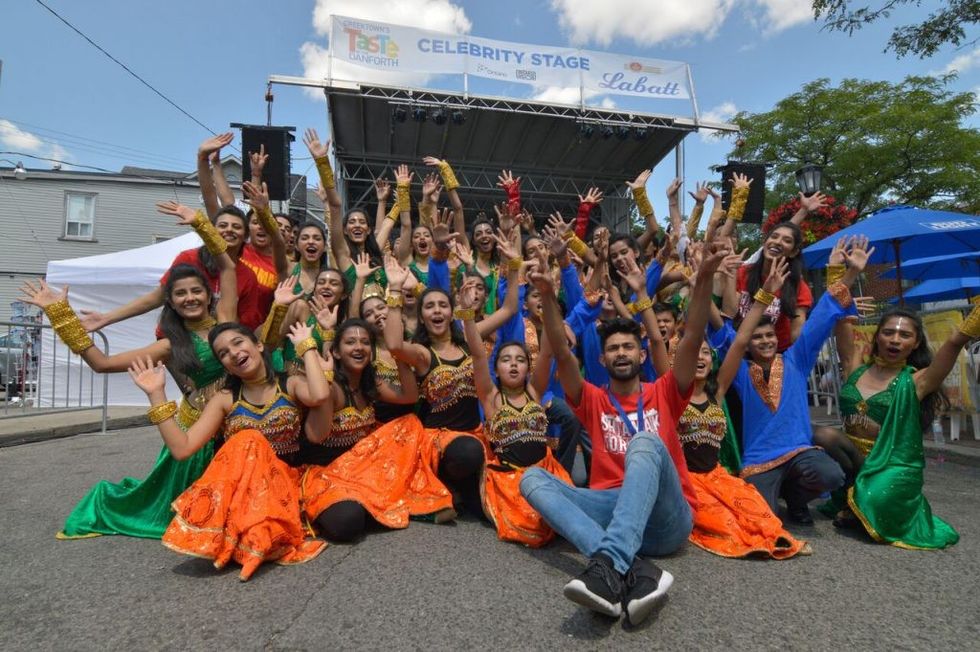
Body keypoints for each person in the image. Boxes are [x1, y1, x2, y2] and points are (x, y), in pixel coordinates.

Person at [520, 243, 725, 626]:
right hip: (613, 511)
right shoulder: (593, 400)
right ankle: (636, 572)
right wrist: (548, 296)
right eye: (612, 348)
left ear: (642, 355)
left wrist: (707, 278)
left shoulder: (665, 391)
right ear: (602, 360)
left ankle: (608, 565)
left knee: (645, 441)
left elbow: (694, 333)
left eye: (628, 346)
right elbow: (563, 355)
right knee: (531, 478)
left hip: (667, 519)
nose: (620, 353)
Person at [21, 201, 238, 539]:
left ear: (209, 296)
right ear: (171, 302)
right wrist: (61, 317)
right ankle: (109, 505)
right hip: (199, 427)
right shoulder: (169, 344)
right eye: (180, 294)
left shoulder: (227, 319)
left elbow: (227, 266)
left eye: (196, 291)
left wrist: (200, 223)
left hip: (237, 417)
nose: (190, 298)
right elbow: (102, 363)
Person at [130, 321, 331, 580]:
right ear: (224, 365)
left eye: (238, 343)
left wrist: (307, 347)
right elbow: (182, 448)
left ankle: (257, 539)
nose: (233, 353)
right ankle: (253, 539)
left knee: (252, 441)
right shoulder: (224, 399)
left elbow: (319, 395)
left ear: (258, 345)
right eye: (224, 353)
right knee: (248, 440)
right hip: (240, 492)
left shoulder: (289, 384)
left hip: (285, 484)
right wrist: (156, 395)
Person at [812, 287, 975, 548]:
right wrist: (841, 275)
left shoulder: (916, 381)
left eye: (904, 335)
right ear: (877, 338)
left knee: (878, 501)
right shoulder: (855, 369)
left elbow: (954, 343)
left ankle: (858, 503)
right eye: (888, 332)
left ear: (916, 343)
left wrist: (973, 320)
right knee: (820, 434)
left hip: (890, 462)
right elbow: (843, 326)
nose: (895, 340)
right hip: (850, 454)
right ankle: (851, 493)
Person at [729, 237, 871, 524]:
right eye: (757, 337)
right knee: (758, 521)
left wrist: (849, 272)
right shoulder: (739, 371)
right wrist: (717, 274)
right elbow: (721, 335)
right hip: (758, 462)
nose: (766, 341)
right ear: (746, 344)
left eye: (769, 335)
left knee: (830, 474)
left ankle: (797, 500)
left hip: (798, 452)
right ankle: (782, 501)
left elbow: (820, 318)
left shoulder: (796, 360)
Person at [681, 259, 808, 559]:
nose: (699, 357)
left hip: (718, 475)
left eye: (705, 352)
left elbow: (740, 340)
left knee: (759, 513)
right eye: (691, 353)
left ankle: (771, 538)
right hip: (686, 480)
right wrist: (700, 286)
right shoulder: (672, 395)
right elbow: (689, 336)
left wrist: (763, 295)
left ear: (712, 360)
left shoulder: (719, 390)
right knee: (724, 524)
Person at [455, 276, 573, 547]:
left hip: (546, 472)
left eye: (520, 360)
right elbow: (476, 353)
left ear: (527, 368)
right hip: (510, 480)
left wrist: (548, 305)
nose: (513, 365)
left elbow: (547, 353)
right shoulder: (491, 397)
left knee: (561, 520)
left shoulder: (535, 391)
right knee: (532, 528)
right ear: (496, 369)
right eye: (506, 360)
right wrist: (467, 314)